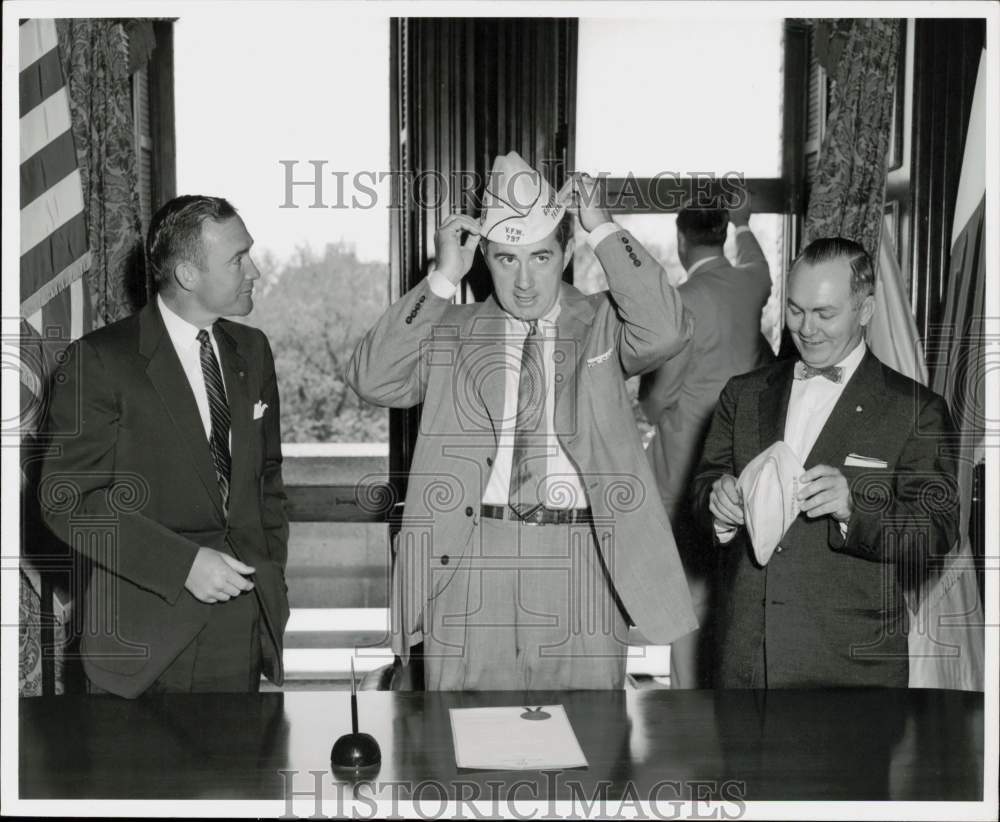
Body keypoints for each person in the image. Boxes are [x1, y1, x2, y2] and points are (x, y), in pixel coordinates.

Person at [348, 152, 697, 690]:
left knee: (588, 747)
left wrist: (602, 227)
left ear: (565, 254)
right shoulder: (453, 330)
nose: (526, 281)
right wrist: (443, 277)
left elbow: (666, 329)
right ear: (485, 256)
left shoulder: (603, 323)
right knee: (462, 746)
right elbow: (373, 377)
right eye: (508, 260)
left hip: (584, 560)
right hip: (470, 556)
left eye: (540, 257)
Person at [38, 195, 290, 697]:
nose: (255, 271)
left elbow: (268, 480)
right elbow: (67, 502)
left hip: (241, 626)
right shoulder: (99, 361)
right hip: (144, 642)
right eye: (238, 259)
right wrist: (184, 565)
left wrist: (270, 573)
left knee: (240, 775)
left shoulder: (253, 350)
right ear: (188, 276)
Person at [692, 236, 958, 688]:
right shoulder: (743, 393)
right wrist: (717, 506)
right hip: (744, 665)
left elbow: (935, 534)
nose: (806, 328)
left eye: (824, 313)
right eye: (796, 310)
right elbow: (702, 490)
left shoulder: (916, 410)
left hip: (850, 672)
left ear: (866, 311)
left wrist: (854, 507)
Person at [639, 190, 773, 689]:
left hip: (685, 463)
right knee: (732, 589)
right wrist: (744, 223)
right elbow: (757, 258)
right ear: (722, 232)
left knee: (688, 596)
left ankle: (687, 705)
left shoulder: (681, 302)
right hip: (744, 458)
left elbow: (654, 403)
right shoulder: (752, 282)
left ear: (680, 239)